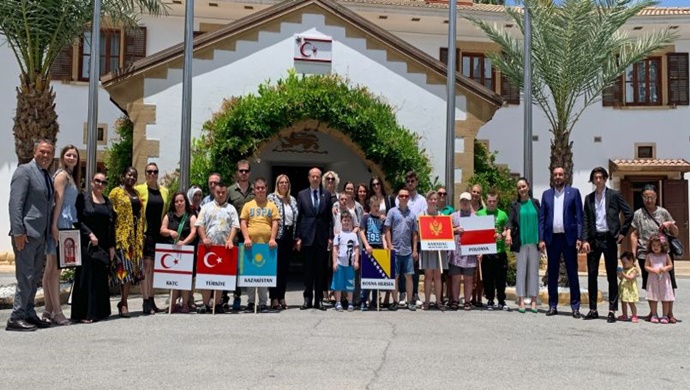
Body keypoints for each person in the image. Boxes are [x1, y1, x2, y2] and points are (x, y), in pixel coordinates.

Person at [7, 139, 55, 331]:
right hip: (25, 234)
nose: (46, 156)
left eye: (49, 153)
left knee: (34, 276)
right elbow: (15, 204)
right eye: (42, 152)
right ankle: (16, 316)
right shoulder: (24, 171)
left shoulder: (45, 175)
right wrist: (18, 231)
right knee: (25, 275)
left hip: (40, 234)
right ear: (35, 151)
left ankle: (28, 312)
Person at [581, 167, 633, 323]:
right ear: (593, 180)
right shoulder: (588, 198)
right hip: (593, 239)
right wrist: (584, 240)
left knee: (611, 275)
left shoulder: (614, 195)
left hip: (610, 238)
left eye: (600, 177)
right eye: (595, 178)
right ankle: (593, 309)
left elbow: (629, 213)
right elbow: (585, 220)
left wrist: (622, 233)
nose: (598, 180)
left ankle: (612, 310)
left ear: (605, 178)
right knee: (592, 275)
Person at [629, 184, 680, 323]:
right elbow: (634, 234)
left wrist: (670, 225)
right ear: (642, 198)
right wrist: (633, 253)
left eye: (652, 197)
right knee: (649, 283)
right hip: (645, 254)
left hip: (664, 254)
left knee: (669, 282)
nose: (649, 200)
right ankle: (653, 313)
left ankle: (669, 313)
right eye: (646, 197)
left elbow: (676, 232)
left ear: (656, 197)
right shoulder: (638, 214)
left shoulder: (663, 212)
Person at [539, 166, 584, 319]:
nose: (558, 177)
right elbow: (542, 219)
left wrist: (579, 237)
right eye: (555, 174)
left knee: (572, 273)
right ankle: (552, 305)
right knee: (552, 273)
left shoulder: (574, 193)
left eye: (560, 174)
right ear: (552, 177)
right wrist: (541, 239)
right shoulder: (546, 195)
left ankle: (575, 307)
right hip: (552, 239)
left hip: (569, 238)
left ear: (565, 176)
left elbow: (580, 217)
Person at [43, 145, 80, 326]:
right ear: (63, 157)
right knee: (55, 270)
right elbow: (57, 203)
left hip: (66, 223)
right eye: (69, 154)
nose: (72, 157)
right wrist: (54, 227)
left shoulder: (70, 176)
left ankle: (48, 310)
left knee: (51, 269)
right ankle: (58, 312)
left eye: (74, 155)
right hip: (61, 224)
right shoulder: (62, 176)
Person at [71, 173, 115, 323]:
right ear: (91, 182)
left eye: (103, 182)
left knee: (99, 278)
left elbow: (111, 226)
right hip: (86, 244)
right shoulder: (82, 198)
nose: (100, 184)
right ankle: (84, 313)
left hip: (102, 245)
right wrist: (89, 234)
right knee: (86, 277)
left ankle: (100, 312)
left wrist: (111, 246)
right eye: (97, 181)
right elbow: (77, 219)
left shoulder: (108, 202)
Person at [195, 181, 240, 314]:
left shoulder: (231, 209)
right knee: (206, 277)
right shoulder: (206, 207)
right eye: (218, 192)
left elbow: (235, 226)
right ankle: (205, 304)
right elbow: (200, 224)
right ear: (214, 192)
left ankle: (217, 303)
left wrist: (230, 240)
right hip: (208, 247)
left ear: (226, 193)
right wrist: (204, 238)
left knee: (220, 277)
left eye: (223, 192)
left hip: (223, 248)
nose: (220, 194)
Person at [296, 168, 334, 311]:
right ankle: (307, 299)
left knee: (321, 270)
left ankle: (319, 300)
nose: (315, 179)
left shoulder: (327, 194)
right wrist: (298, 237)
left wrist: (330, 237)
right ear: (309, 178)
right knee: (308, 270)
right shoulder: (302, 194)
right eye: (313, 176)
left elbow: (329, 219)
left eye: (318, 176)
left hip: (322, 238)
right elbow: (299, 218)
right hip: (307, 237)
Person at [109, 167, 145, 317]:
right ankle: (123, 303)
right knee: (124, 269)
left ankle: (124, 301)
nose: (131, 177)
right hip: (122, 237)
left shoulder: (136, 193)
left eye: (134, 176)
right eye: (129, 174)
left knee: (131, 270)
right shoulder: (116, 192)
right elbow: (110, 214)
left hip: (136, 238)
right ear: (123, 176)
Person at [240, 177, 279, 313]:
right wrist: (246, 238)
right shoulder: (248, 205)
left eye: (263, 188)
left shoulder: (272, 206)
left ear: (266, 189)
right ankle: (251, 302)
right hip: (251, 245)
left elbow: (275, 222)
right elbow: (243, 222)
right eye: (258, 188)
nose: (260, 190)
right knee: (250, 275)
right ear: (254, 190)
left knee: (264, 275)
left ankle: (263, 302)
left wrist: (273, 238)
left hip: (266, 246)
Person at [135, 162, 170, 315]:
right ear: (145, 173)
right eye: (149, 172)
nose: (152, 174)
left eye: (155, 172)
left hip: (158, 233)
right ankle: (145, 301)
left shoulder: (165, 191)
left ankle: (152, 299)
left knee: (155, 269)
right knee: (146, 267)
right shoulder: (139, 189)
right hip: (145, 232)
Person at [505, 177, 541, 314]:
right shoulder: (515, 205)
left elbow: (541, 221)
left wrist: (543, 240)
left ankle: (533, 300)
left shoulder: (536, 203)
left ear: (528, 187)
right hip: (521, 242)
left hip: (535, 242)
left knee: (534, 272)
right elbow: (511, 222)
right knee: (521, 271)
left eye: (523, 186)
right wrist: (508, 234)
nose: (521, 189)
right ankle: (520, 299)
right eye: (519, 187)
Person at [160, 192, 198, 313]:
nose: (179, 203)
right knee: (173, 278)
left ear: (185, 202)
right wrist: (170, 232)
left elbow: (194, 232)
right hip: (171, 251)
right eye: (176, 201)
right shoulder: (169, 215)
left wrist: (184, 243)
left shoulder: (191, 216)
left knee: (185, 279)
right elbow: (162, 229)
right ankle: (172, 304)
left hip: (186, 251)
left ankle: (185, 304)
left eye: (181, 201)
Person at [384, 187, 419, 311]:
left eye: (406, 196)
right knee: (395, 277)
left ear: (408, 198)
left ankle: (410, 301)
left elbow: (415, 233)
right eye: (401, 196)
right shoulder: (392, 212)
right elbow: (387, 229)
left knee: (409, 276)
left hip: (408, 250)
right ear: (398, 198)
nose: (403, 198)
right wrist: (389, 245)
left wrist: (415, 250)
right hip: (395, 250)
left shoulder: (412, 214)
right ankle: (395, 301)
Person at [267, 174, 298, 310]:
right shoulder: (271, 198)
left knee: (285, 268)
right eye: (281, 182)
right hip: (277, 236)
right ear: (277, 184)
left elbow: (296, 219)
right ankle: (274, 297)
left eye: (286, 182)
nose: (283, 185)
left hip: (289, 235)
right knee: (275, 268)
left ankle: (282, 296)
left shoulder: (292, 200)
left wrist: (296, 238)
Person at [395, 171, 425, 307]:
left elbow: (424, 219)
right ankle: (402, 292)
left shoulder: (422, 200)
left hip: (416, 239)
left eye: (413, 181)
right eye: (408, 181)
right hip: (401, 239)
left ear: (416, 182)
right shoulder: (400, 197)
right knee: (401, 269)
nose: (410, 183)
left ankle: (414, 294)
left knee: (414, 267)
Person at [227, 160, 254, 311]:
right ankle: (235, 296)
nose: (244, 173)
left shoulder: (255, 191)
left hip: (251, 234)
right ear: (237, 172)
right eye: (241, 171)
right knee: (234, 267)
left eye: (246, 171)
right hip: (235, 235)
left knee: (250, 266)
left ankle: (251, 299)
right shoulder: (230, 191)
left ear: (250, 173)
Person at [476, 189, 510, 311]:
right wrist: (479, 250)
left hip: (500, 250)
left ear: (497, 201)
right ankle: (490, 299)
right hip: (486, 251)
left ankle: (501, 300)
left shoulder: (503, 214)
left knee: (501, 278)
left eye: (494, 201)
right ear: (486, 201)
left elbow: (507, 229)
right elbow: (476, 233)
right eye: (490, 201)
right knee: (488, 278)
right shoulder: (480, 214)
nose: (492, 203)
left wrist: (504, 234)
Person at [449, 192, 479, 311]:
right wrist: (456, 229)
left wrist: (480, 251)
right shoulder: (453, 216)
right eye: (462, 200)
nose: (465, 202)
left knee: (468, 279)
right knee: (455, 278)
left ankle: (467, 301)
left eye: (467, 200)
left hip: (469, 253)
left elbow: (479, 236)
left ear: (470, 202)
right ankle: (455, 300)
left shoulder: (475, 218)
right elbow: (446, 231)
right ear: (460, 202)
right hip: (455, 252)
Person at [358, 195, 388, 311]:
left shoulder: (381, 220)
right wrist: (366, 245)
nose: (376, 208)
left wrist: (385, 247)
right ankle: (363, 300)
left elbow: (383, 234)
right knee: (367, 277)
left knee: (377, 277)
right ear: (370, 206)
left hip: (379, 248)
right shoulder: (366, 218)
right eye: (374, 206)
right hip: (369, 249)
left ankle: (375, 301)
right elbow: (361, 231)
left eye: (378, 206)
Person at [419, 190, 448, 311]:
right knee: (428, 276)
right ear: (427, 200)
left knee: (438, 276)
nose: (433, 201)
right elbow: (420, 233)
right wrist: (428, 246)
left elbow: (445, 233)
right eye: (431, 199)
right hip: (427, 250)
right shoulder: (422, 215)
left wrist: (439, 245)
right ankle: (426, 301)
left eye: (435, 199)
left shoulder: (442, 216)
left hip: (439, 250)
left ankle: (438, 301)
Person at [331, 211, 360, 312]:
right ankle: (338, 302)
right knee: (338, 284)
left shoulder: (353, 235)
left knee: (350, 284)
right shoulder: (338, 235)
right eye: (344, 220)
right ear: (341, 221)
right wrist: (334, 262)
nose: (346, 222)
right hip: (339, 263)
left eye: (348, 220)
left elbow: (356, 249)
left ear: (351, 221)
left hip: (350, 264)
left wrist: (356, 261)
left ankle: (350, 302)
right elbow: (335, 249)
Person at [644, 235, 674, 324]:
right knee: (653, 297)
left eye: (658, 245)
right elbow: (646, 266)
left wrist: (665, 268)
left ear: (662, 246)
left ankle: (665, 315)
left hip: (664, 279)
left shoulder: (666, 255)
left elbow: (670, 265)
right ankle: (654, 314)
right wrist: (652, 270)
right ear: (650, 246)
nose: (656, 247)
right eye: (654, 245)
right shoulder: (649, 255)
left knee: (665, 298)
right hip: (653, 278)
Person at [469, 184, 485, 308]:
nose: (475, 194)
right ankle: (471, 297)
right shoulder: (466, 207)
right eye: (473, 191)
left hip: (480, 243)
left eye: (477, 192)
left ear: (480, 194)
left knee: (479, 272)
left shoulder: (483, 209)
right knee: (470, 272)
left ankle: (479, 297)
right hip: (468, 242)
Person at [617, 252, 639, 323]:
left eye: (625, 262)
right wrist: (619, 275)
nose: (623, 264)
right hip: (624, 289)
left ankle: (634, 315)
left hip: (630, 289)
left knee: (631, 303)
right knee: (623, 302)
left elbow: (630, 278)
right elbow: (621, 279)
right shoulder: (624, 269)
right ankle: (624, 314)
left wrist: (623, 274)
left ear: (631, 261)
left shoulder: (634, 269)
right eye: (622, 262)